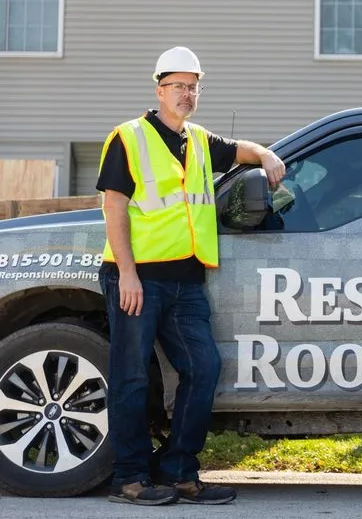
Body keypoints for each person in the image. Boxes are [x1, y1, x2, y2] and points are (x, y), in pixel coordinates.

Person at [96, 46, 285, 506]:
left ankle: (179, 470)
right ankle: (130, 477)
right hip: (137, 277)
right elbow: (114, 206)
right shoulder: (129, 137)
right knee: (132, 376)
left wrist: (266, 154)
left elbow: (242, 150)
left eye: (193, 86)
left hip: (186, 282)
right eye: (178, 86)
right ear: (159, 89)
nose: (186, 93)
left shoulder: (199, 140)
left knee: (204, 369)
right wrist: (127, 274)